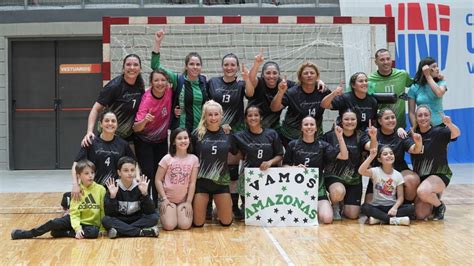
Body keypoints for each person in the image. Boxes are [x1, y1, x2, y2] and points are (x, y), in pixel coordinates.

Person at [207, 53, 254, 217]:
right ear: (222, 66)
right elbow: (206, 105)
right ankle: (217, 205)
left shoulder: (241, 84)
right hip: (216, 131)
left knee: (233, 170)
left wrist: (247, 78)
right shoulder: (213, 82)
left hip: (236, 132)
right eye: (226, 64)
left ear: (237, 67)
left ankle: (234, 205)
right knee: (218, 168)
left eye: (233, 65)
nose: (229, 68)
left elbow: (250, 93)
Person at [12, 160, 105, 239]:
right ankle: (29, 233)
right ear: (79, 176)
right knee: (54, 222)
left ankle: (65, 233)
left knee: (93, 233)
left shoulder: (100, 189)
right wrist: (77, 228)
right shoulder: (77, 190)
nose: (90, 176)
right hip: (74, 220)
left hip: (90, 224)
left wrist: (102, 228)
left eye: (92, 173)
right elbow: (74, 212)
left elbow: (102, 210)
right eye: (86, 173)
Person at [283, 116, 348, 224]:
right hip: (296, 191)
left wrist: (340, 137)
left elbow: (344, 156)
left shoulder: (323, 145)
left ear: (316, 128)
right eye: (306, 124)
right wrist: (293, 168)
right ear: (301, 128)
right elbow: (284, 166)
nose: (309, 127)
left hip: (317, 190)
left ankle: (321, 208)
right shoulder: (293, 145)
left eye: (312, 124)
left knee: (327, 219)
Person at [322, 109, 376, 220]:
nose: (349, 122)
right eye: (346, 119)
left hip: (354, 179)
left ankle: (344, 203)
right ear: (341, 121)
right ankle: (335, 204)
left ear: (357, 121)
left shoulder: (361, 136)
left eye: (353, 119)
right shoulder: (330, 136)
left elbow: (372, 148)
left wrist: (373, 137)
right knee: (338, 191)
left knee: (352, 215)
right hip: (334, 176)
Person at [81, 54, 145, 147]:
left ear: (140, 69)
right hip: (109, 135)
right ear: (123, 68)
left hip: (128, 136)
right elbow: (95, 109)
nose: (132, 67)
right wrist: (89, 132)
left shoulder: (139, 86)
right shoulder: (114, 86)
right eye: (128, 64)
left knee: (131, 161)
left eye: (135, 65)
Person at [233, 105, 284, 219]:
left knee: (269, 211)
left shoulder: (271, 134)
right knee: (251, 214)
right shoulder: (239, 136)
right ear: (246, 119)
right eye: (250, 115)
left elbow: (280, 155)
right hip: (249, 176)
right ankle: (242, 206)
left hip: (268, 175)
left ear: (261, 117)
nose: (253, 118)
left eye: (256, 115)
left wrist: (270, 162)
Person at [152, 29, 208, 133]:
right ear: (186, 66)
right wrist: (157, 42)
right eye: (191, 64)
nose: (194, 67)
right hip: (181, 130)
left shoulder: (204, 81)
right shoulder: (178, 79)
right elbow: (155, 66)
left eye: (197, 64)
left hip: (200, 130)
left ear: (201, 67)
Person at [192, 100, 238, 227]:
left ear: (221, 116)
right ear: (204, 116)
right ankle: (204, 206)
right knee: (198, 223)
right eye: (210, 115)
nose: (213, 118)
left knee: (227, 222)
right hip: (201, 182)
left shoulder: (228, 134)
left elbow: (235, 153)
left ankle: (217, 208)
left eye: (216, 114)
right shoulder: (197, 135)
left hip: (221, 182)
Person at [71, 111, 135, 200]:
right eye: (107, 121)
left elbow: (134, 163)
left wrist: (137, 178)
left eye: (113, 121)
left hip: (114, 190)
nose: (110, 123)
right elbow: (76, 164)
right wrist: (75, 184)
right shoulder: (90, 142)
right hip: (93, 189)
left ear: (117, 124)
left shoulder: (123, 144)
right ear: (100, 124)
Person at [364, 108, 423, 204]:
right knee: (368, 206)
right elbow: (370, 148)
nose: (391, 120)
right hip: (379, 176)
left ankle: (405, 205)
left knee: (412, 179)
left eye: (393, 117)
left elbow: (415, 150)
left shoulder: (400, 134)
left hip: (399, 171)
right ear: (380, 121)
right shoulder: (372, 133)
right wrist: (373, 137)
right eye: (387, 118)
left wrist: (418, 142)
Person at [412, 105, 460, 220]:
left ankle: (439, 206)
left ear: (430, 116)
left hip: (439, 174)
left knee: (422, 191)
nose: (423, 118)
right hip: (421, 177)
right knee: (420, 215)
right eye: (420, 115)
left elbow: (456, 134)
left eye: (426, 115)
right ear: (416, 118)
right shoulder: (413, 135)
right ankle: (434, 196)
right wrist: (399, 130)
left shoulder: (439, 132)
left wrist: (449, 124)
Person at [133, 69, 173, 206]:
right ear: (151, 82)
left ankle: (158, 203)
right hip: (144, 141)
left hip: (161, 140)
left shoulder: (169, 91)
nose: (160, 83)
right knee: (148, 172)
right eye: (156, 80)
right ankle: (146, 202)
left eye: (163, 80)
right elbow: (136, 127)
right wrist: (145, 121)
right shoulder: (147, 100)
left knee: (160, 172)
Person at [270, 61, 330, 145]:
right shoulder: (292, 92)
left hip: (314, 135)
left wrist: (336, 93)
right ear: (300, 77)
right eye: (306, 73)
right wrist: (280, 93)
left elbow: (334, 104)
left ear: (317, 76)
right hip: (292, 135)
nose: (309, 75)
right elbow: (274, 108)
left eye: (312, 73)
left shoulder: (323, 91)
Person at [102, 157, 159, 238]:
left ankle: (120, 232)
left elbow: (150, 211)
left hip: (137, 219)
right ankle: (140, 232)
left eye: (132, 170)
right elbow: (109, 213)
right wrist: (113, 197)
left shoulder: (140, 186)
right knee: (106, 220)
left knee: (154, 217)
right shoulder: (113, 186)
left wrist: (145, 194)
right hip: (120, 220)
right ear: (119, 172)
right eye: (126, 170)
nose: (130, 173)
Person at [155, 128, 199, 230]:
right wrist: (164, 199)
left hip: (183, 201)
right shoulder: (167, 158)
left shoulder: (194, 159)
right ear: (174, 142)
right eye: (179, 138)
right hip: (168, 200)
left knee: (185, 225)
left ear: (189, 140)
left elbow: (192, 183)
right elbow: (157, 180)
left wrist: (188, 202)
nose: (183, 141)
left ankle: (178, 212)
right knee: (169, 226)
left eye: (185, 138)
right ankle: (169, 213)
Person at [359, 146, 415, 226]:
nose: (389, 155)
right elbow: (361, 171)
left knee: (411, 208)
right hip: (377, 207)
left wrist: (395, 208)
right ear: (379, 159)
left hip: (391, 207)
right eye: (385, 154)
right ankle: (391, 220)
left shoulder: (398, 175)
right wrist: (371, 157)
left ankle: (379, 219)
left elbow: (400, 197)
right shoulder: (375, 171)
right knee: (364, 207)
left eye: (391, 153)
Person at [368, 48, 413, 130]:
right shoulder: (370, 80)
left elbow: (416, 84)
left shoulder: (402, 75)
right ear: (376, 62)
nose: (386, 62)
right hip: (381, 129)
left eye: (388, 59)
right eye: (382, 60)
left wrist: (437, 79)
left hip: (400, 128)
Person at [408, 57, 447, 128]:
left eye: (437, 66)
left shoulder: (441, 82)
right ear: (425, 70)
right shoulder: (414, 88)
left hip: (440, 125)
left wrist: (428, 76)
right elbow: (411, 112)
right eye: (434, 67)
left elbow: (439, 93)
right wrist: (415, 128)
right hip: (423, 127)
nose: (437, 69)